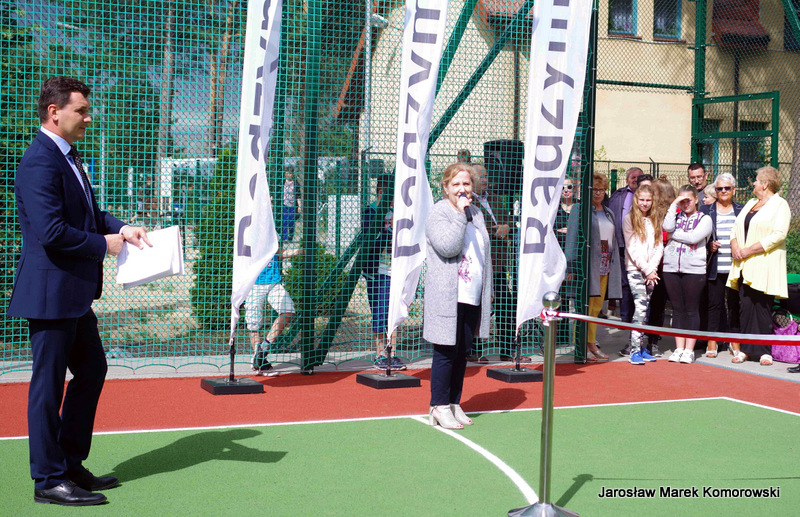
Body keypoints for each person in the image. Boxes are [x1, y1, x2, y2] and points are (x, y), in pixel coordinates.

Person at [6, 77, 150, 506]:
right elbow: (51, 231)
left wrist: (122, 227)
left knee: (92, 370)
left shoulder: (67, 156)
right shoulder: (40, 161)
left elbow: (86, 213)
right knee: (47, 387)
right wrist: (103, 245)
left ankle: (69, 464)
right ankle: (48, 480)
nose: (89, 118)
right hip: (50, 293)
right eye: (81, 111)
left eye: (88, 110)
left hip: (72, 294)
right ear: (55, 113)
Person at [425, 162, 492, 429]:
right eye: (456, 184)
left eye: (466, 183)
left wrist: (487, 290)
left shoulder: (477, 213)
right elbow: (448, 247)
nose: (462, 189)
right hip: (448, 295)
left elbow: (483, 253)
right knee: (446, 351)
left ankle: (454, 403)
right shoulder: (439, 212)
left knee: (463, 352)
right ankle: (438, 406)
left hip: (471, 293)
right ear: (445, 188)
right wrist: (460, 214)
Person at [728, 166, 791, 365]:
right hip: (744, 265)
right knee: (745, 307)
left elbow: (779, 235)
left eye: (756, 180)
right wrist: (735, 245)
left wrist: (750, 250)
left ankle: (764, 352)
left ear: (765, 184)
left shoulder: (780, 205)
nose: (753, 183)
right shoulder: (750, 203)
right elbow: (735, 228)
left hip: (765, 264)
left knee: (762, 308)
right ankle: (745, 350)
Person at [469, 163, 529, 363]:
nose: (486, 180)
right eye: (482, 177)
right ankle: (474, 350)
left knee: (506, 306)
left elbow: (509, 220)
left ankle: (508, 349)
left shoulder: (495, 198)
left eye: (486, 176)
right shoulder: (467, 202)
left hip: (499, 264)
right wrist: (496, 230)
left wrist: (507, 227)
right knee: (477, 308)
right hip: (479, 265)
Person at [567, 173, 622, 361]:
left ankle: (591, 343)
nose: (598, 193)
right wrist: (571, 267)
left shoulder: (608, 212)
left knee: (596, 308)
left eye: (601, 189)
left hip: (605, 265)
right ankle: (581, 345)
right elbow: (572, 238)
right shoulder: (579, 209)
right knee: (585, 308)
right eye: (595, 189)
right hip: (587, 267)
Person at [662, 185, 713, 364]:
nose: (685, 204)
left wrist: (672, 234)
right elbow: (666, 226)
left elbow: (693, 238)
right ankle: (679, 348)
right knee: (677, 309)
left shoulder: (705, 219)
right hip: (671, 268)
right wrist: (673, 205)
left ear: (696, 199)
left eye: (688, 200)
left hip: (694, 270)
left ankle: (689, 350)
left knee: (691, 309)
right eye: (681, 201)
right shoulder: (674, 216)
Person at [362, 175, 406, 371]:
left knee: (394, 312)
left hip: (397, 269)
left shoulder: (400, 211)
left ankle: (392, 353)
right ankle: (380, 353)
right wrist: (390, 231)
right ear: (382, 192)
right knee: (380, 312)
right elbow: (370, 241)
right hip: (378, 270)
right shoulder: (371, 211)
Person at [699, 173, 743, 358]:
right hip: (714, 266)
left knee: (735, 305)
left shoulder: (741, 210)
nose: (723, 191)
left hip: (736, 266)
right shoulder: (706, 210)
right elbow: (699, 236)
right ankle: (712, 342)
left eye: (727, 188)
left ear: (734, 189)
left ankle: (735, 342)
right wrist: (708, 245)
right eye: (719, 188)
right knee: (714, 305)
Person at [623, 185, 664, 365]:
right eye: (642, 200)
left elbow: (659, 246)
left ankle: (640, 347)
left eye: (648, 200)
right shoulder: (629, 219)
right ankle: (634, 350)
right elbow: (632, 247)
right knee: (640, 307)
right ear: (636, 200)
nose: (645, 203)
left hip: (651, 272)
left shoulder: (655, 219)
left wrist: (652, 269)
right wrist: (647, 269)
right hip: (635, 270)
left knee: (645, 309)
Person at [246, 248, 300, 376]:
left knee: (288, 310)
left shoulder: (272, 235)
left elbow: (279, 252)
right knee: (254, 325)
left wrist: (300, 250)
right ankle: (260, 362)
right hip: (253, 284)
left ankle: (264, 348)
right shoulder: (249, 236)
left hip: (273, 283)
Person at [608, 167, 643, 354]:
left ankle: (640, 324)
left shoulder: (647, 195)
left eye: (638, 177)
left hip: (641, 248)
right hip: (621, 245)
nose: (635, 180)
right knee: (624, 284)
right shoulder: (619, 195)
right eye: (632, 177)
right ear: (627, 179)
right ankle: (625, 319)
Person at [644, 177, 676, 356]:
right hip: (649, 265)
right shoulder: (649, 213)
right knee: (644, 304)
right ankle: (638, 340)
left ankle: (654, 341)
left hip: (667, 267)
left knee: (659, 304)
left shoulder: (675, 213)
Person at [281, 169, 300, 242]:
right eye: (287, 173)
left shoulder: (295, 183)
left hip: (292, 205)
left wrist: (299, 206)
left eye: (290, 173)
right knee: (284, 221)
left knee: (291, 222)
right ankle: (285, 238)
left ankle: (291, 236)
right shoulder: (283, 182)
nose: (288, 175)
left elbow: (298, 195)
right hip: (284, 204)